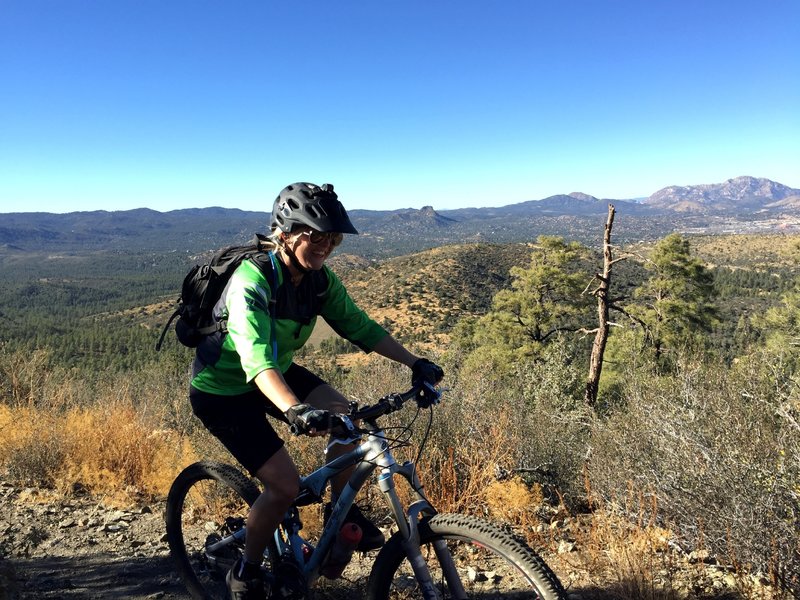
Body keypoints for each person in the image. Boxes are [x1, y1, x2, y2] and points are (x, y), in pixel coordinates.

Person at [188, 182, 444, 600]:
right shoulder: (251, 282)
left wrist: (415, 362)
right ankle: (245, 572)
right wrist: (295, 409)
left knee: (346, 418)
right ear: (285, 235)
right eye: (316, 235)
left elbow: (361, 327)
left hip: (280, 372)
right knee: (284, 487)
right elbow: (257, 360)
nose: (326, 245)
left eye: (333, 238)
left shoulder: (319, 281)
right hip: (223, 391)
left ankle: (339, 516)